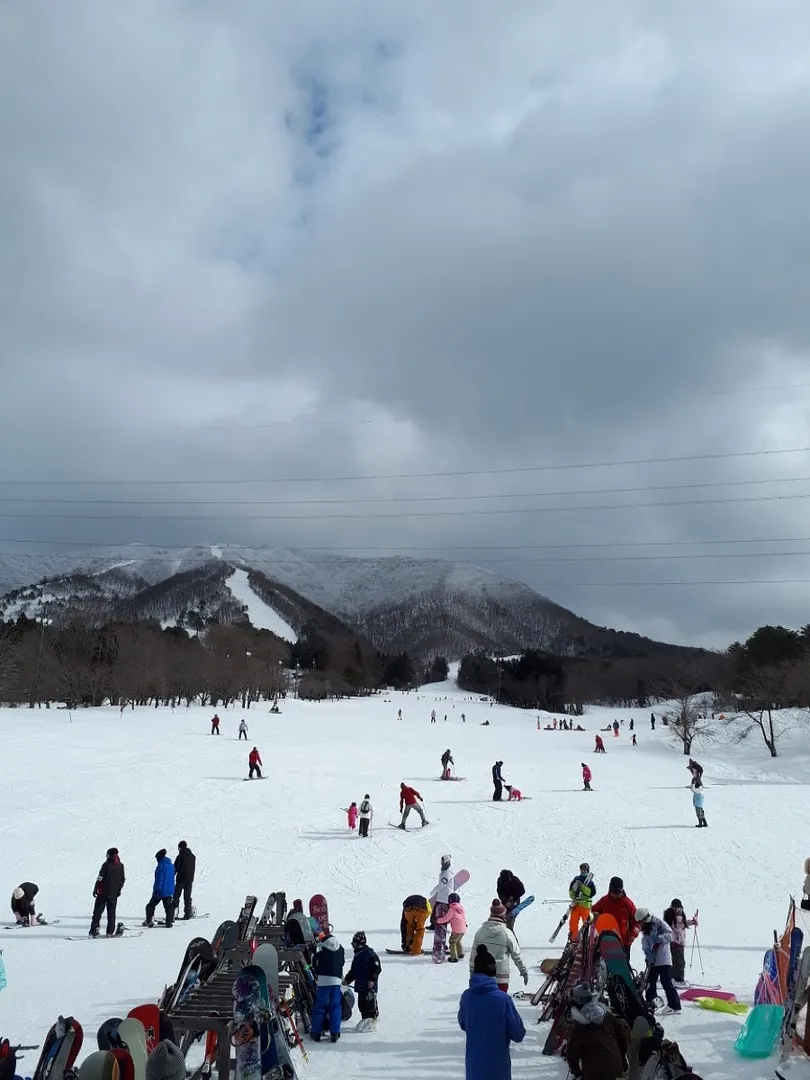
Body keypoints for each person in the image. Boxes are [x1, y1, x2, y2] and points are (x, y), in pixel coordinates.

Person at [458, 946, 526, 1080]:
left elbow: (463, 1024)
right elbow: (518, 1034)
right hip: (498, 1067)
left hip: (474, 1067)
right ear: (493, 971)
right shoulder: (504, 1000)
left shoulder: (466, 996)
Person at [565, 983, 630, 1080]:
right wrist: (622, 1058)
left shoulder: (580, 1027)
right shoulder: (607, 1016)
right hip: (616, 1067)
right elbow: (622, 1037)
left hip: (595, 1074)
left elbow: (572, 1054)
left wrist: (577, 1072)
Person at [469, 899, 528, 993]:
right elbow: (516, 955)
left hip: (482, 976)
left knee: (484, 1004)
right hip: (501, 977)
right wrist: (523, 970)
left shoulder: (480, 932)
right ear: (503, 915)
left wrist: (472, 972)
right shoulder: (507, 933)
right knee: (499, 1004)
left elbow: (473, 954)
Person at [635, 908, 681, 1014]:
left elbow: (671, 935)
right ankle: (650, 1002)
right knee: (650, 983)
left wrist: (659, 938)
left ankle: (674, 1006)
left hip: (664, 959)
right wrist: (647, 952)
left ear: (645, 919)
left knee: (666, 982)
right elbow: (646, 942)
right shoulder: (646, 929)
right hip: (653, 961)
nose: (640, 925)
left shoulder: (660, 924)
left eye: (641, 922)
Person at [310, 930, 345, 1042]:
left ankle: (316, 1033)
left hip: (323, 982)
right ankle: (335, 1033)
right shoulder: (340, 950)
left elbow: (314, 964)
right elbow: (342, 962)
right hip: (336, 981)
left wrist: (316, 971)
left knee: (319, 1007)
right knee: (335, 1007)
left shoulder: (321, 953)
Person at [343, 931, 382, 1031]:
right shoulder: (358, 956)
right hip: (361, 985)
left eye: (354, 944)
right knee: (362, 1004)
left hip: (369, 986)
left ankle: (372, 1021)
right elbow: (354, 971)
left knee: (370, 1004)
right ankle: (365, 1019)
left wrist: (372, 980)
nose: (353, 946)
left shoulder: (370, 954)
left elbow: (377, 969)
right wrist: (347, 980)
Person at [592, 877, 638, 953]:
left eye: (618, 893)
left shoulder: (628, 903)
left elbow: (637, 921)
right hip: (606, 939)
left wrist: (633, 935)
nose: (616, 895)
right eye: (614, 893)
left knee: (623, 964)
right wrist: (596, 915)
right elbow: (594, 909)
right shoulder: (604, 900)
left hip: (623, 941)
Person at [90, 847, 125, 938]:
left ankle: (94, 931)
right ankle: (110, 932)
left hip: (103, 893)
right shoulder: (121, 866)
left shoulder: (106, 865)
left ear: (109, 855)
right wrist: (118, 890)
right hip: (113, 894)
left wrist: (95, 888)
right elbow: (122, 879)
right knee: (111, 914)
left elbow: (100, 877)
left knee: (97, 913)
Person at [663, 899, 697, 985]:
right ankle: (678, 979)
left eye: (680, 908)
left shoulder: (680, 916)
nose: (679, 910)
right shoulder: (670, 916)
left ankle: (670, 977)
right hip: (674, 941)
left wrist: (692, 922)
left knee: (676, 960)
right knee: (679, 962)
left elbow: (683, 923)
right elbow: (672, 926)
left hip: (680, 942)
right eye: (676, 908)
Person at [143, 848, 176, 928]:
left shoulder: (160, 866)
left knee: (150, 905)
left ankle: (149, 920)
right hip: (170, 890)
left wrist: (157, 890)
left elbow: (159, 879)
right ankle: (169, 922)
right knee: (168, 907)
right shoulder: (171, 866)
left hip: (161, 891)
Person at [432, 853, 455, 961]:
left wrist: (433, 892)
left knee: (440, 926)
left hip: (443, 901)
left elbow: (442, 884)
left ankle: (438, 953)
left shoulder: (447, 873)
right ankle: (441, 947)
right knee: (441, 925)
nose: (441, 863)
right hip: (444, 899)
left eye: (442, 861)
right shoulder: (447, 871)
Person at [437, 892, 467, 962]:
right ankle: (460, 953)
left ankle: (454, 957)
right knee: (458, 940)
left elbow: (447, 918)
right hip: (463, 929)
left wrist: (438, 920)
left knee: (452, 942)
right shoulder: (461, 908)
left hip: (456, 930)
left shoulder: (452, 908)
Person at [568, 863, 596, 940]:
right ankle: (573, 938)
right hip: (576, 905)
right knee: (573, 922)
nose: (583, 871)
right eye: (582, 869)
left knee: (586, 923)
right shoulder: (576, 879)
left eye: (584, 869)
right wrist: (574, 897)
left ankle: (587, 938)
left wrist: (582, 887)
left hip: (585, 905)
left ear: (587, 870)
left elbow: (591, 893)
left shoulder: (590, 882)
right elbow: (571, 891)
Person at [172, 841, 196, 921]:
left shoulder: (180, 856)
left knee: (176, 896)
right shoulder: (193, 856)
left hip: (181, 879)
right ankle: (188, 913)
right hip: (189, 880)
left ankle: (174, 913)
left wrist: (171, 876)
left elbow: (176, 868)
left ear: (180, 847)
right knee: (187, 897)